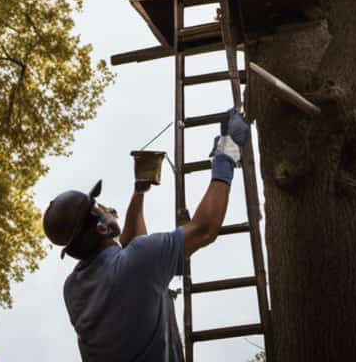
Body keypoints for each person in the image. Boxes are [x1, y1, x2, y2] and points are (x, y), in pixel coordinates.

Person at [42, 108, 250, 361]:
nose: (109, 208)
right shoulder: (136, 263)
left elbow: (132, 252)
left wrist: (138, 192)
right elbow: (205, 228)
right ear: (102, 228)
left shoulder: (74, 290)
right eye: (102, 209)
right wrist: (226, 153)